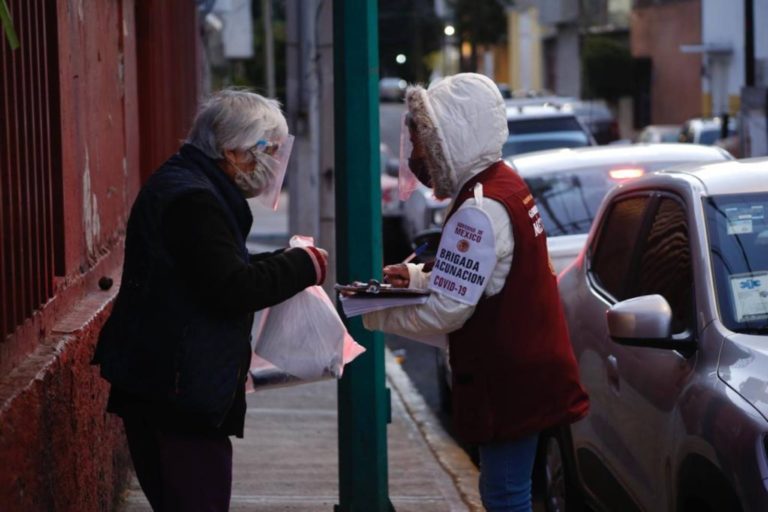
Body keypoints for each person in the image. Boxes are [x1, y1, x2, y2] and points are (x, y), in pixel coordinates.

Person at [92, 89, 328, 512]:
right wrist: (301, 267)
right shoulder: (194, 200)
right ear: (233, 151)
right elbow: (231, 288)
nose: (273, 163)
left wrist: (286, 259)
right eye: (267, 151)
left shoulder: (189, 183)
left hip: (167, 382)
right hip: (178, 392)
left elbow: (210, 266)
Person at [363, 73, 589, 512]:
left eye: (425, 139)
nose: (419, 155)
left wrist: (371, 311)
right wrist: (414, 280)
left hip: (508, 381)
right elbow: (479, 276)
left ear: (455, 134)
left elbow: (448, 310)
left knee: (504, 495)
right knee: (506, 490)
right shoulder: (504, 182)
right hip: (526, 372)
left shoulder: (480, 208)